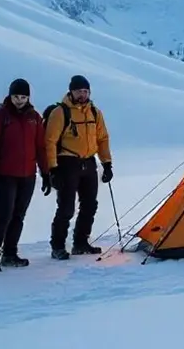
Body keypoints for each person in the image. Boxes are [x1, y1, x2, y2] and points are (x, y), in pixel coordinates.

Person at [0, 78, 50, 270]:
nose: (19, 100)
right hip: (5, 175)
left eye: (23, 96)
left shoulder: (34, 117)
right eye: (16, 96)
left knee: (19, 215)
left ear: (28, 97)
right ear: (9, 96)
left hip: (28, 175)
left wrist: (45, 173)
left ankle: (10, 254)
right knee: (4, 215)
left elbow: (40, 147)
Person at [45, 74, 113, 259]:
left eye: (85, 91)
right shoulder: (61, 112)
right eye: (78, 91)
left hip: (89, 162)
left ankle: (81, 242)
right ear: (71, 91)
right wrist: (53, 168)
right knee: (66, 207)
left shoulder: (95, 112)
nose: (82, 94)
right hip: (68, 162)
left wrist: (107, 164)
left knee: (90, 205)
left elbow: (102, 139)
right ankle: (57, 246)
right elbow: (50, 141)